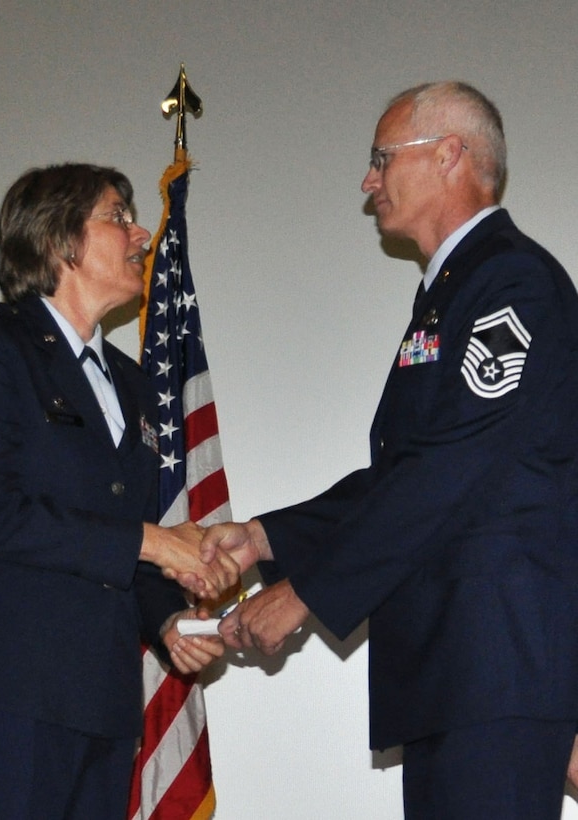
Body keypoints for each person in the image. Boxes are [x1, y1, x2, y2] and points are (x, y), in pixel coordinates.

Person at [199, 82, 578, 818]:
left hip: (495, 666)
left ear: (448, 156)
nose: (367, 180)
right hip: (456, 667)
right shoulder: (453, 291)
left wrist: (305, 593)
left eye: (380, 158)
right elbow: (406, 472)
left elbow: (451, 468)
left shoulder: (510, 282)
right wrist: (264, 539)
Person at [0, 163, 239, 820]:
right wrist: (155, 542)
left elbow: (125, 536)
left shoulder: (131, 381)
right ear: (61, 240)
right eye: (117, 215)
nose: (140, 232)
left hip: (99, 697)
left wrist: (168, 621)